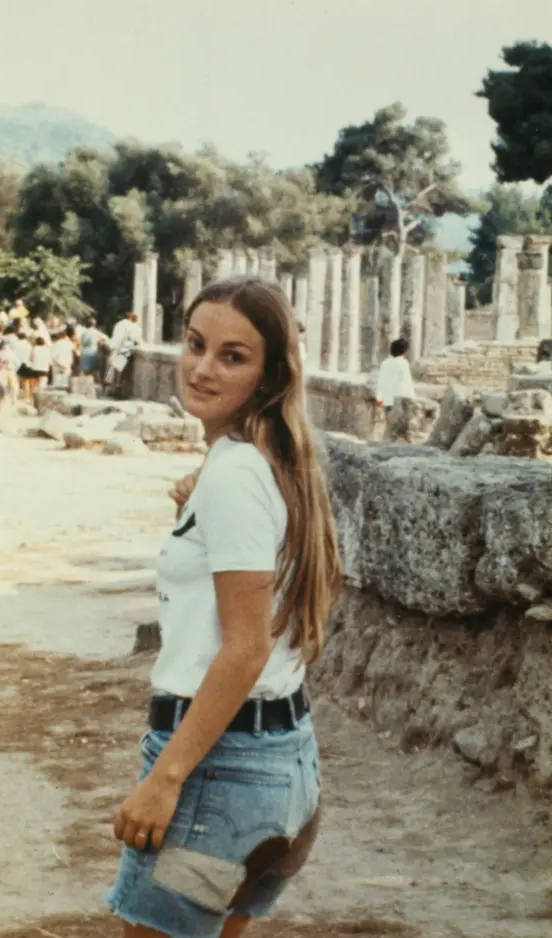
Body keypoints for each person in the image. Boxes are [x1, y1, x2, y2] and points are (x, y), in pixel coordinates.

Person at [106, 276, 342, 938]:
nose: (203, 368)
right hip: (283, 765)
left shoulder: (237, 474)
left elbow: (247, 645)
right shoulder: (271, 462)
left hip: (219, 770)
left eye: (233, 356)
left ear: (270, 376)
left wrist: (165, 779)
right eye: (195, 344)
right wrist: (201, 492)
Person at [375, 337, 415, 415]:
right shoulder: (403, 363)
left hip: (388, 400)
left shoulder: (385, 363)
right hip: (400, 400)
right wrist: (412, 398)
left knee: (389, 423)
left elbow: (381, 382)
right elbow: (407, 382)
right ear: (404, 351)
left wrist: (379, 398)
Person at [105, 311, 142, 394]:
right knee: (119, 367)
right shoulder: (131, 326)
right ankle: (117, 386)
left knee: (114, 367)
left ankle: (113, 385)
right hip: (123, 349)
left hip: (114, 347)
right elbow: (134, 339)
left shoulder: (119, 324)